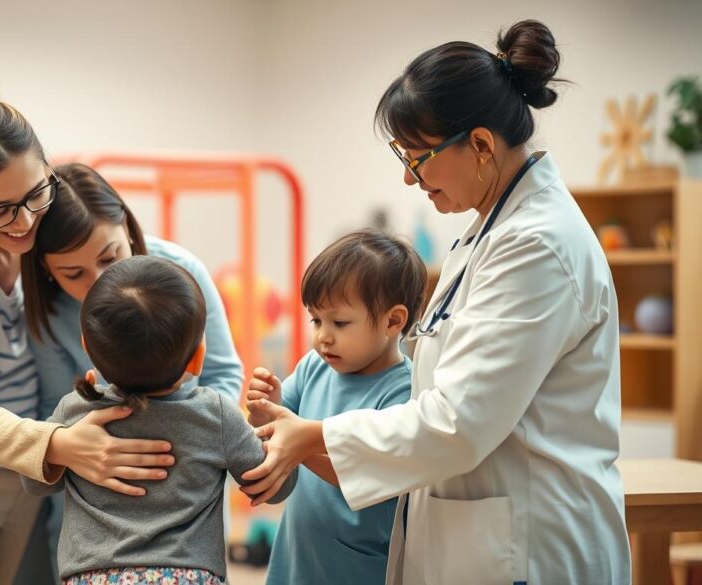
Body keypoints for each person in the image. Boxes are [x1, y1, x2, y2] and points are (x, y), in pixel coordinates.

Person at [241, 20, 632, 584]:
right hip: (477, 535)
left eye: (417, 157)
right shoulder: (485, 236)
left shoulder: (536, 245)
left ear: (478, 144)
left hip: (530, 546)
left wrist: (314, 434)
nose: (407, 177)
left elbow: (458, 423)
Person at [0, 71, 174, 585]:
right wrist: (61, 443)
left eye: (33, 194)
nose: (22, 223)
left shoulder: (45, 233)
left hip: (30, 479)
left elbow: (115, 246)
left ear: (48, 169)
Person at [20, 162, 244, 576]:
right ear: (45, 270)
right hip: (95, 530)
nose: (101, 282)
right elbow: (50, 422)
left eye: (110, 257)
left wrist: (186, 430)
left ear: (126, 226)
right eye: (73, 274)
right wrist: (78, 446)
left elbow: (225, 374)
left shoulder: (180, 272)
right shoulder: (46, 312)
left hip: (187, 524)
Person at [22, 255, 294, 585]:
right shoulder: (215, 414)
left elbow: (33, 482)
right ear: (197, 358)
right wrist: (271, 426)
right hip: (188, 576)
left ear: (88, 347)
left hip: (92, 577)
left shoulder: (79, 410)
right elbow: (274, 488)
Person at [246, 229, 424, 584]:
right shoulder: (316, 366)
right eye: (316, 320)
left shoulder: (404, 391)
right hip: (297, 557)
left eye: (340, 322)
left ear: (393, 321)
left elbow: (367, 474)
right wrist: (266, 405)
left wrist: (298, 447)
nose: (323, 336)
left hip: (357, 566)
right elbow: (275, 426)